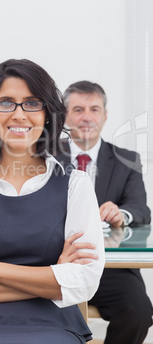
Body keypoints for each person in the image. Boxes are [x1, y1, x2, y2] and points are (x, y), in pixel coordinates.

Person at [0, 59, 105, 344]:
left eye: (32, 103)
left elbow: (84, 282)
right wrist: (51, 279)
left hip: (54, 326)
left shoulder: (75, 184)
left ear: (48, 113)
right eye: (6, 103)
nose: (19, 114)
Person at [57, 80, 153, 344]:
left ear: (105, 115)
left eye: (94, 109)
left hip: (112, 267)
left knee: (138, 311)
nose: (87, 117)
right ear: (65, 116)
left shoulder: (127, 159)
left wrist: (122, 214)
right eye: (78, 109)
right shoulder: (45, 156)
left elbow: (141, 209)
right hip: (57, 262)